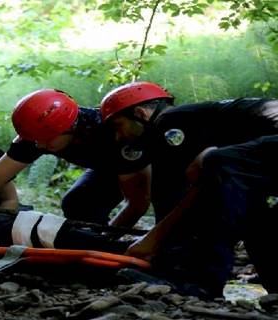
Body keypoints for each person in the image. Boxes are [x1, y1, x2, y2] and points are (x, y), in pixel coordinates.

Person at [100, 81, 278, 297]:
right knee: (250, 208)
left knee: (220, 164)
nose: (118, 137)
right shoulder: (195, 122)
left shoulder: (168, 122)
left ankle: (201, 281)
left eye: (118, 126)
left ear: (140, 113)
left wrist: (154, 240)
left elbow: (190, 195)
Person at [0, 88, 152, 244]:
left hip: (145, 166)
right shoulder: (38, 133)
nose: (39, 146)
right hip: (105, 167)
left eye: (46, 140)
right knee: (77, 202)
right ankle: (89, 239)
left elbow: (137, 203)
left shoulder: (115, 135)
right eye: (34, 139)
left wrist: (108, 240)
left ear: (70, 128)